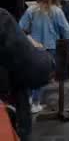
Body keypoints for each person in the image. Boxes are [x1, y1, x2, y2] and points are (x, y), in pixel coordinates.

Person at [1, 8, 55, 141]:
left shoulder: (31, 10)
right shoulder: (2, 18)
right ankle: (34, 103)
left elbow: (22, 24)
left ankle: (34, 103)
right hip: (18, 78)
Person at [18, 0, 69, 113]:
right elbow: (66, 31)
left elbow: (20, 27)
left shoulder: (32, 10)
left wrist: (29, 38)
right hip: (50, 48)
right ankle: (36, 103)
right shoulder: (57, 11)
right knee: (42, 75)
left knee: (30, 73)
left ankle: (29, 99)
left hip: (32, 47)